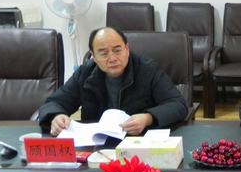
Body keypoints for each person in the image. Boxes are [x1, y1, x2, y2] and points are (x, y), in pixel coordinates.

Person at [38, 27, 188, 136]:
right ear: (93, 56)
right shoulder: (85, 73)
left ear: (127, 49)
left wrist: (148, 118)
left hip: (137, 140)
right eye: (103, 53)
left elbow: (178, 104)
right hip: (97, 144)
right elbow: (54, 103)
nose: (112, 58)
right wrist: (56, 116)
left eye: (117, 50)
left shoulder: (147, 69)